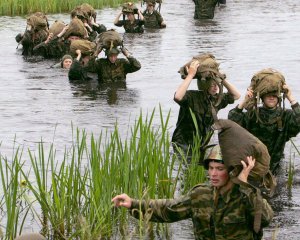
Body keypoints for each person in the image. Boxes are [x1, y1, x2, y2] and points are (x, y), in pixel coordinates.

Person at [112, 145, 274, 240]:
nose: (213, 174)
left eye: (219, 169)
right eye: (211, 168)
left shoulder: (246, 196)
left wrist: (244, 185)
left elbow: (266, 219)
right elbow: (169, 209)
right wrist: (132, 203)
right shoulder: (200, 194)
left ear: (232, 171)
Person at [228, 80, 300, 175]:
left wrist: (291, 98)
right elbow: (232, 121)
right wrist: (245, 101)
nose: (271, 97)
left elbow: (298, 122)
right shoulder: (253, 115)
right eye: (268, 95)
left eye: (274, 95)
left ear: (279, 98)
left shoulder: (285, 115)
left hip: (275, 162)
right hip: (254, 162)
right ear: (262, 97)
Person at [172, 60, 240, 159]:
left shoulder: (217, 99)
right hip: (183, 144)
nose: (215, 87)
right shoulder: (192, 97)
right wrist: (190, 75)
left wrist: (221, 79)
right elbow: (178, 96)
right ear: (204, 85)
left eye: (217, 84)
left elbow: (236, 95)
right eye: (212, 85)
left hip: (202, 144)